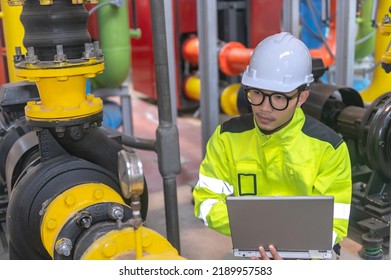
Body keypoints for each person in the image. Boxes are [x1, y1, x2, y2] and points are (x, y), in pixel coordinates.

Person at [192, 32, 352, 260]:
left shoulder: (329, 148)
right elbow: (206, 203)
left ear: (301, 98)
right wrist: (260, 235)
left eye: (278, 98)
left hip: (310, 255)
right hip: (252, 250)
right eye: (257, 93)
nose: (264, 108)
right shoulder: (226, 138)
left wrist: (296, 257)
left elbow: (333, 223)